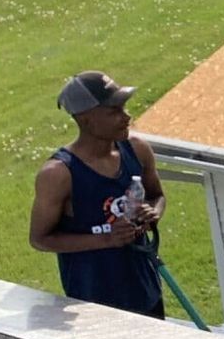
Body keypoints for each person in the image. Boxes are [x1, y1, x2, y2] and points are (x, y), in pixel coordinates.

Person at [30, 72, 167, 317]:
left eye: (124, 107)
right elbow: (40, 239)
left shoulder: (137, 150)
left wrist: (151, 213)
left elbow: (157, 196)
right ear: (86, 119)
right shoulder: (58, 174)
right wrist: (106, 240)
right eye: (114, 111)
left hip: (147, 295)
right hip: (92, 308)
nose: (126, 116)